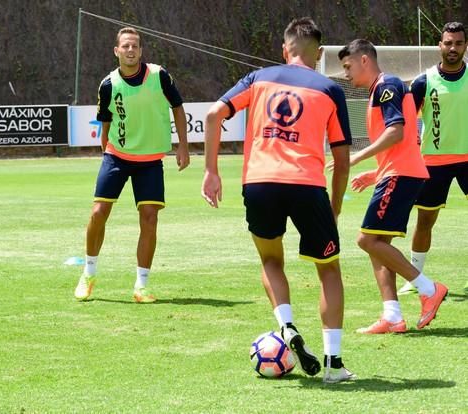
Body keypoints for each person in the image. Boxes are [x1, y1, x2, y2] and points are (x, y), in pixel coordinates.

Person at [202, 17, 354, 383]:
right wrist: (335, 203)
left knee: (271, 259)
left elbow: (212, 114)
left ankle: (286, 325)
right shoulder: (329, 89)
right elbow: (343, 155)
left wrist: (211, 171)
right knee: (329, 269)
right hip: (307, 184)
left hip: (260, 182)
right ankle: (333, 364)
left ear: (284, 50)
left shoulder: (258, 78)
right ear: (319, 54)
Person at [336, 39, 448, 334]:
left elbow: (396, 132)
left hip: (401, 175)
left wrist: (355, 158)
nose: (346, 74)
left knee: (366, 241)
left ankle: (428, 289)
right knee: (377, 244)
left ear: (364, 60)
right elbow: (404, 143)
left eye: (348, 67)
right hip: (397, 173)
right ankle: (392, 316)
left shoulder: (388, 86)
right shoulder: (382, 89)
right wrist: (375, 173)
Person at [74, 27, 190, 303]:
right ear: (116, 51)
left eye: (134, 46)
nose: (130, 50)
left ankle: (142, 285)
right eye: (125, 46)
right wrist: (107, 155)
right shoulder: (108, 84)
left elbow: (178, 107)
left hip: (150, 161)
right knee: (98, 212)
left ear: (140, 50)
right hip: (116, 156)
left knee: (150, 218)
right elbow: (105, 122)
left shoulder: (159, 76)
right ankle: (88, 274)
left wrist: (183, 147)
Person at [398, 22, 468, 295]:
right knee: (425, 221)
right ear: (440, 45)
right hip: (433, 162)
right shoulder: (423, 81)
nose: (453, 48)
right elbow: (405, 122)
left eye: (458, 43)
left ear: (465, 46)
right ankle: (415, 277)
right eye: (448, 43)